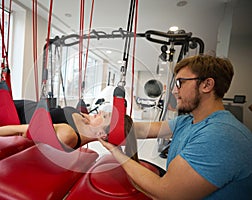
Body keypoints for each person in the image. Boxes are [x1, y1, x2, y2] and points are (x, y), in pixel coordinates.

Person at [100, 54, 252, 199]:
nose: (173, 90)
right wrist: (106, 124)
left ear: (207, 85)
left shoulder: (221, 135)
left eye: (181, 82)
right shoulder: (187, 121)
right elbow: (141, 130)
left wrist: (116, 152)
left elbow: (165, 193)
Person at [0, 99, 137, 155]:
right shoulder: (87, 122)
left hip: (12, 114)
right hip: (25, 104)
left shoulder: (69, 134)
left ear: (101, 134)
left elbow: (22, 129)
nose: (100, 113)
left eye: (104, 117)